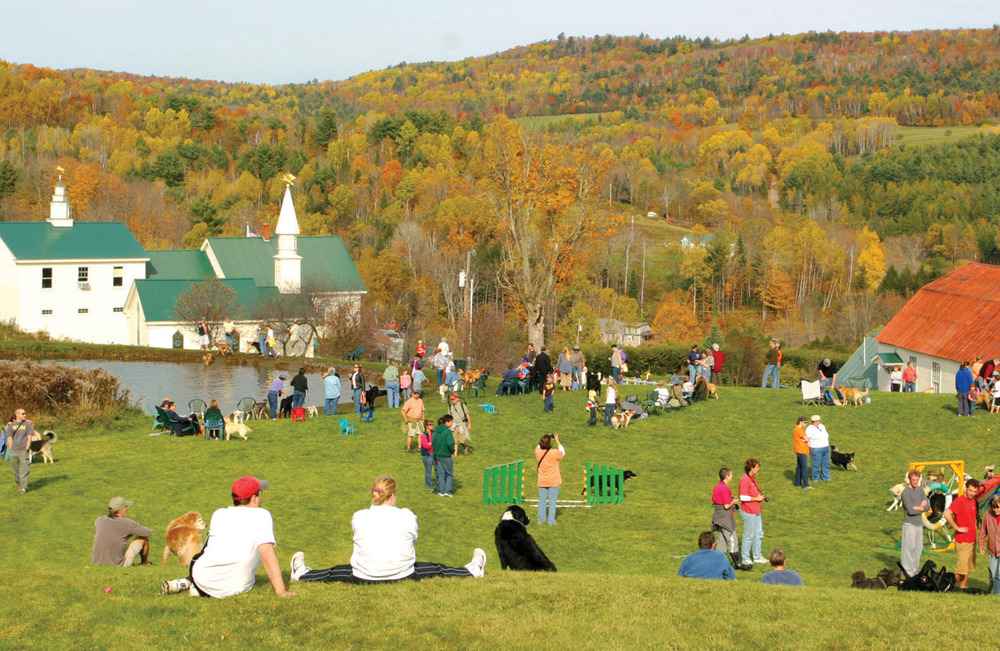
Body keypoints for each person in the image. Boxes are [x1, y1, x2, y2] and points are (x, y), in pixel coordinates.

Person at [289, 476, 486, 584]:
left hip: (363, 575)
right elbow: (413, 537)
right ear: (393, 496)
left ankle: (302, 574)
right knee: (436, 568)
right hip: (401, 573)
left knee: (334, 572)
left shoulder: (360, 515)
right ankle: (471, 571)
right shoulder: (406, 515)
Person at [91, 496, 152, 566]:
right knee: (143, 538)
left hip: (96, 562)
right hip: (117, 564)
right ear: (121, 509)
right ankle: (145, 563)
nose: (127, 510)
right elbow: (148, 532)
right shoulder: (127, 523)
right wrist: (133, 530)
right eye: (126, 507)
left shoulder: (100, 520)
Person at [944, 478, 981, 589]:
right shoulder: (960, 501)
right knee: (961, 570)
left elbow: (973, 518)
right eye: (970, 491)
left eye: (974, 491)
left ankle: (962, 589)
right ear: (966, 488)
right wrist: (957, 528)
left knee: (967, 568)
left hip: (972, 539)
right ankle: (947, 587)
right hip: (963, 540)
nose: (972, 493)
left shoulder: (973, 501)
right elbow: (947, 514)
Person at [711, 467, 742, 569]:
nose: (732, 476)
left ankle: (718, 563)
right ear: (726, 476)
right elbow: (726, 506)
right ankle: (738, 564)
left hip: (718, 517)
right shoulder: (725, 489)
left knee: (722, 541)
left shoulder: (717, 487)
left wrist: (730, 499)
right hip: (725, 518)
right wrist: (734, 502)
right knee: (732, 540)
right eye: (731, 475)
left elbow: (713, 502)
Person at [901, 468, 929, 577]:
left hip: (919, 524)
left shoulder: (920, 490)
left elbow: (928, 506)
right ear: (909, 479)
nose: (915, 482)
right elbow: (910, 511)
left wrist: (918, 507)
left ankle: (915, 572)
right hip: (909, 524)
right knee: (909, 549)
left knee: (918, 549)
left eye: (917, 480)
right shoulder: (906, 493)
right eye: (913, 480)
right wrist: (920, 507)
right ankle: (907, 573)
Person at [739, 458, 767, 565]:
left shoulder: (752, 479)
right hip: (749, 511)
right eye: (757, 467)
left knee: (758, 534)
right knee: (749, 535)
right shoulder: (745, 480)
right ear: (751, 468)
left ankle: (757, 556)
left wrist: (760, 497)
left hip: (756, 510)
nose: (758, 469)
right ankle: (745, 557)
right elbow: (742, 497)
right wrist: (756, 499)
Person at [535, 433, 565, 526]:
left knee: (542, 500)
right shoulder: (554, 453)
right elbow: (562, 452)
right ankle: (551, 521)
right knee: (552, 501)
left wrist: (545, 436)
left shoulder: (538, 451)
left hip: (542, 480)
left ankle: (541, 519)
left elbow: (538, 446)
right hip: (554, 480)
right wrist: (557, 439)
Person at [6, 408, 35, 493]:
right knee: (15, 470)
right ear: (17, 415)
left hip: (23, 450)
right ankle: (20, 485)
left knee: (24, 469)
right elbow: (9, 438)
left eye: (25, 413)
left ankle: (23, 488)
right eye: (23, 414)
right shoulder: (11, 426)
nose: (25, 415)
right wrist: (10, 447)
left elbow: (29, 437)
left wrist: (27, 448)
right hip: (13, 451)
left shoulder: (27, 425)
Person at [978, 494, 1000, 595]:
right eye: (993, 508)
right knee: (993, 574)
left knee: (999, 574)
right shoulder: (988, 515)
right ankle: (997, 594)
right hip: (992, 550)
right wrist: (981, 545)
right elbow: (983, 531)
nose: (995, 510)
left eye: (998, 508)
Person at [432, 415, 457, 497]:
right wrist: (452, 451)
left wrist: (436, 451)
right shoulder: (447, 431)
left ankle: (441, 491)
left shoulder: (436, 431)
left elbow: (433, 443)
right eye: (451, 422)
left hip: (438, 454)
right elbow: (450, 443)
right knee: (449, 474)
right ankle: (447, 491)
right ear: (447, 422)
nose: (452, 423)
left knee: (441, 474)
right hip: (446, 455)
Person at [804, 414, 830, 482]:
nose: (818, 422)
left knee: (826, 464)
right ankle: (815, 478)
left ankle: (826, 477)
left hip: (825, 447)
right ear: (812, 421)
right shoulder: (809, 429)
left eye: (818, 421)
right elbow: (808, 439)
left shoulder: (822, 426)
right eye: (816, 421)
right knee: (816, 465)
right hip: (816, 448)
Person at [793, 417, 812, 490]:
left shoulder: (797, 429)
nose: (806, 424)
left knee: (799, 467)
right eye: (804, 422)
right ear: (800, 422)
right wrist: (807, 439)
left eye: (806, 422)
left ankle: (797, 483)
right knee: (804, 468)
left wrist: (805, 439)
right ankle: (805, 485)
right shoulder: (799, 430)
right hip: (802, 450)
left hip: (799, 450)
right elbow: (807, 438)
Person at [419, 420, 436, 490]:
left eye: (432, 424)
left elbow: (437, 442)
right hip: (427, 455)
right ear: (426, 426)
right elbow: (426, 446)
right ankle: (429, 486)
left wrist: (430, 443)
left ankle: (438, 484)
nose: (431, 426)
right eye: (429, 425)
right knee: (428, 471)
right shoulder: (423, 435)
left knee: (437, 469)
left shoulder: (434, 433)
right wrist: (433, 444)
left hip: (434, 454)